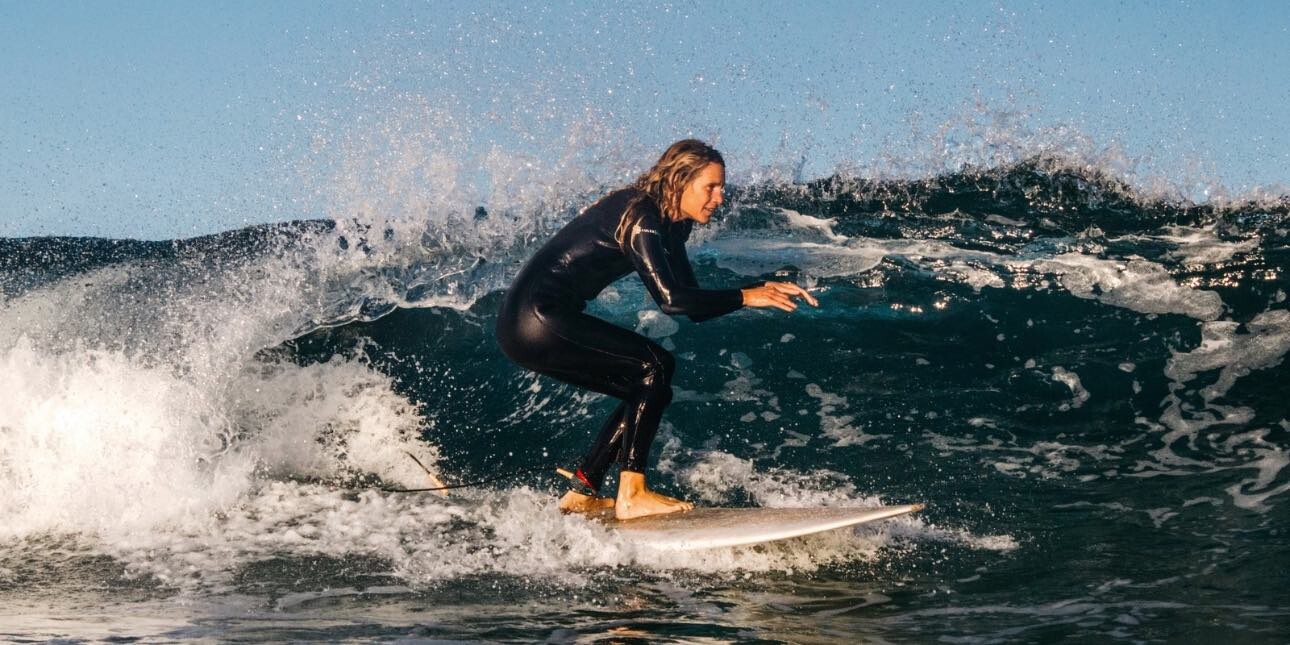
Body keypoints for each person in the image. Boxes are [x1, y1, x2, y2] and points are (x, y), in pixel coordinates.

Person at [495, 139, 818, 520]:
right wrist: (747, 297)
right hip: (534, 319)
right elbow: (671, 300)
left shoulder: (672, 224)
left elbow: (691, 303)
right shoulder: (641, 216)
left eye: (722, 187)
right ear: (679, 181)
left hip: (536, 321)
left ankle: (583, 490)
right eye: (710, 187)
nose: (719, 197)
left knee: (648, 388)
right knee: (655, 366)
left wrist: (759, 289)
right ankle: (632, 493)